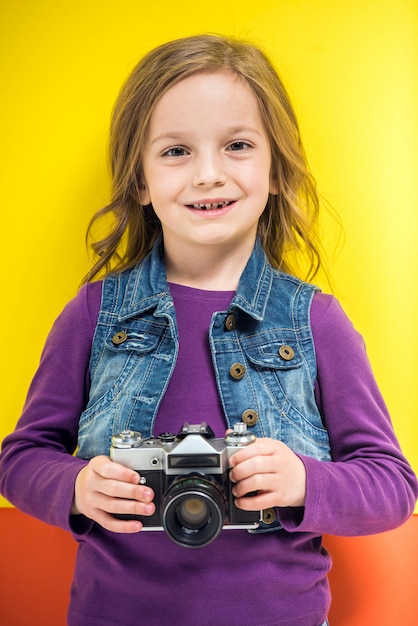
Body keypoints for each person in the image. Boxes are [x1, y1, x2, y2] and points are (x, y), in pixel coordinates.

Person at [0, 34, 416, 626]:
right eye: (175, 152)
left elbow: (393, 486)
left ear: (276, 171)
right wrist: (77, 487)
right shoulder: (95, 314)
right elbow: (20, 458)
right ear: (139, 182)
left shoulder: (316, 321)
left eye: (238, 145)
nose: (208, 175)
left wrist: (302, 481)